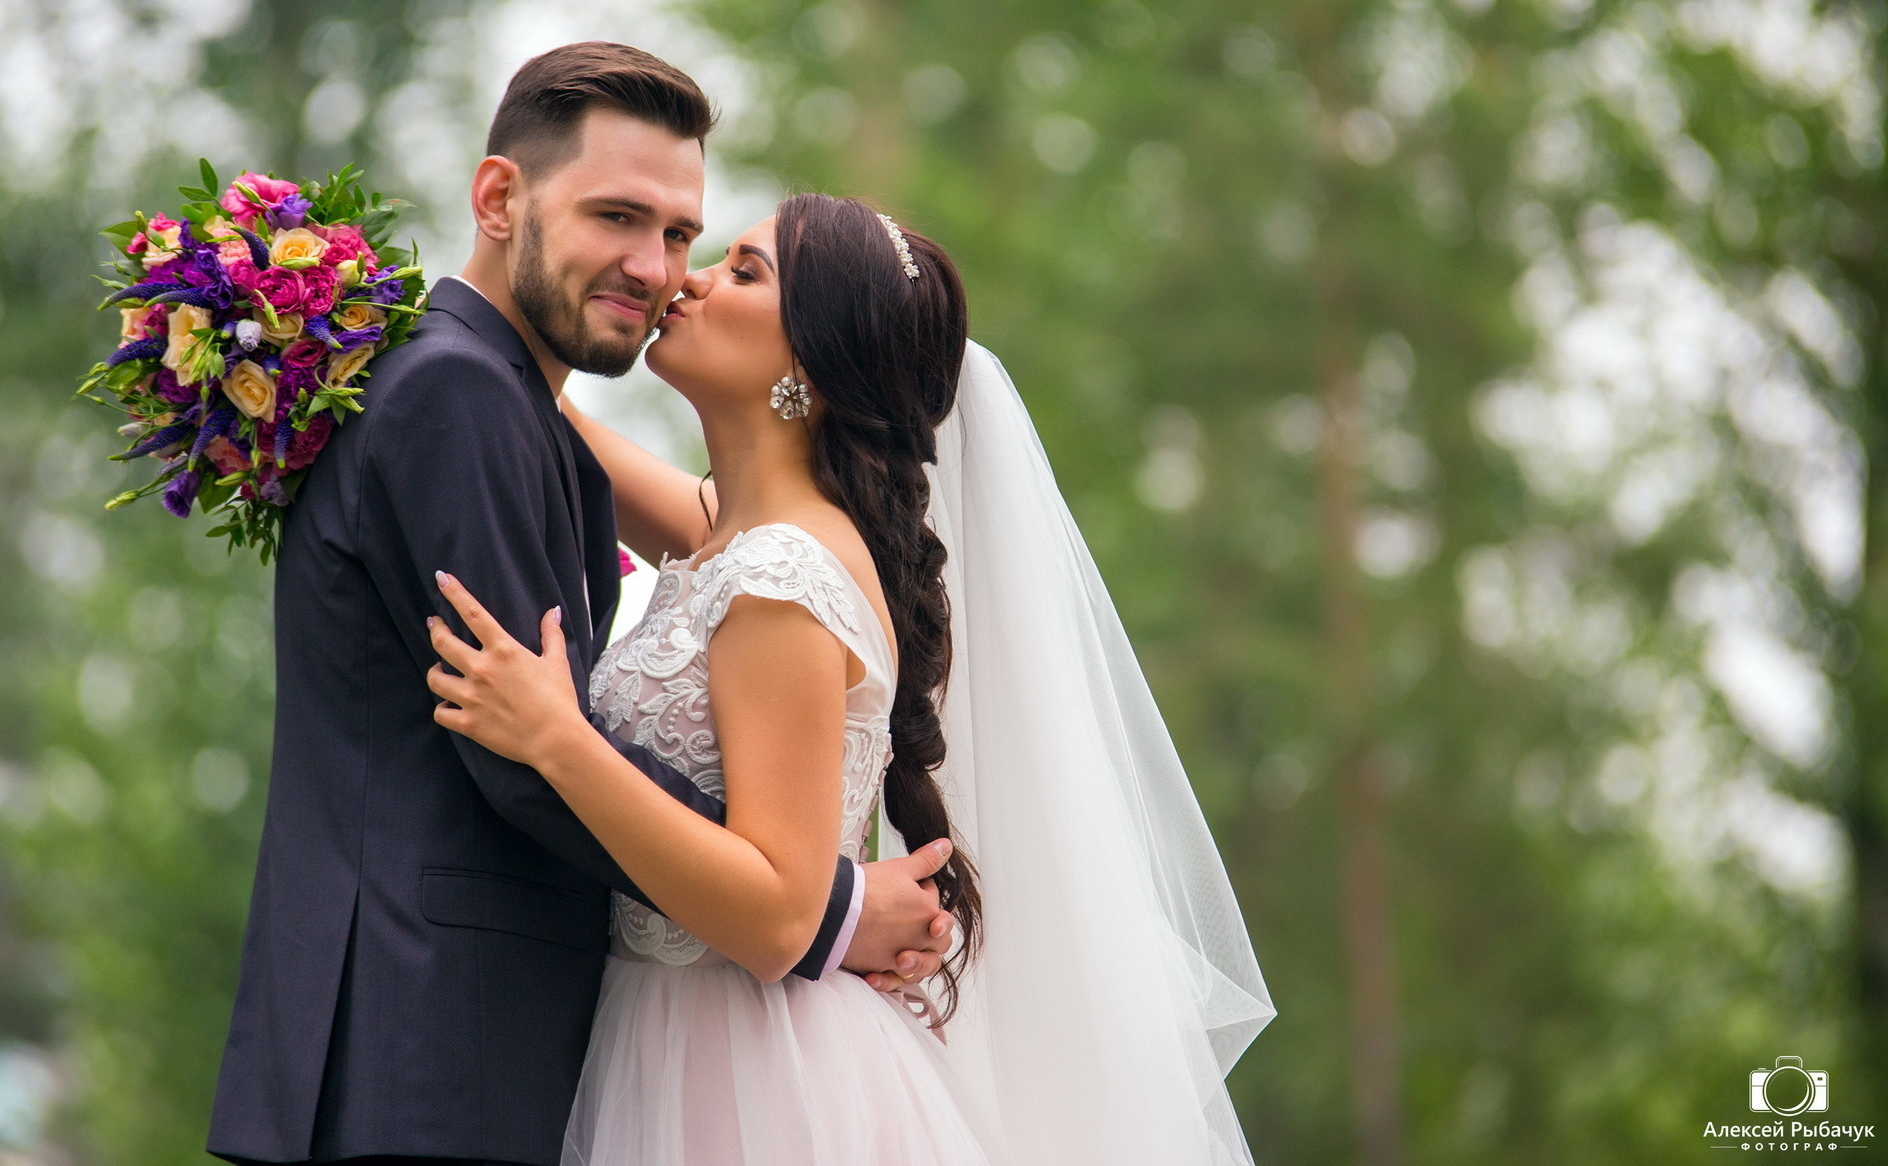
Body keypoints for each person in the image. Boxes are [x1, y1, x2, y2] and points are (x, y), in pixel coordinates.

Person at [206, 44, 957, 1166]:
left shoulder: (733, 532)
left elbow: (559, 705)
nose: (662, 271)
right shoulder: (468, 394)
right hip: (425, 1040)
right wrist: (825, 913)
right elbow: (520, 755)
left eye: (687, 240)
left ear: (816, 366)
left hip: (601, 1058)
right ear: (500, 197)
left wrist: (798, 904)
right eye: (618, 216)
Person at [426, 192, 1277, 1164]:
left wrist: (558, 740)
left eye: (743, 271)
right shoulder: (734, 533)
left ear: (810, 365)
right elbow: (534, 405)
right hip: (675, 1038)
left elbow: (778, 912)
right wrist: (360, 301)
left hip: (737, 1074)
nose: (685, 277)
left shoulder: (779, 576)